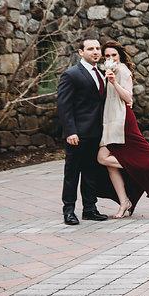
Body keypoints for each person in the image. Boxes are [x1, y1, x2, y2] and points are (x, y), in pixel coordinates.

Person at [96, 41, 149, 218]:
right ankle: (124, 202)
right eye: (107, 56)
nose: (111, 58)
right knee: (109, 164)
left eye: (114, 55)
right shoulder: (103, 71)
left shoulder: (123, 70)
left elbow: (128, 97)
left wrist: (113, 82)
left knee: (102, 158)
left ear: (119, 55)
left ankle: (142, 170)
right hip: (108, 120)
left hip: (122, 121)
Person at [56, 37, 109, 225]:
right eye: (90, 49)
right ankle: (68, 211)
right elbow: (64, 106)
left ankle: (90, 209)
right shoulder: (71, 74)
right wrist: (70, 131)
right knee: (72, 174)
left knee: (90, 173)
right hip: (77, 134)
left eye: (97, 48)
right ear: (81, 52)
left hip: (96, 133)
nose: (95, 52)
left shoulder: (101, 73)